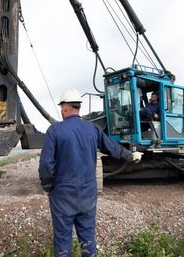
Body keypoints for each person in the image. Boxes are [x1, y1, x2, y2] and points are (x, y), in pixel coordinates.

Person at [38, 88, 143, 257]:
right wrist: (131, 155)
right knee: (88, 239)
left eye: (61, 107)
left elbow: (46, 165)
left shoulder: (54, 130)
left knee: (63, 240)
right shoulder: (93, 129)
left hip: (62, 196)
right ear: (78, 107)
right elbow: (113, 149)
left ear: (65, 108)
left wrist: (48, 187)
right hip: (87, 194)